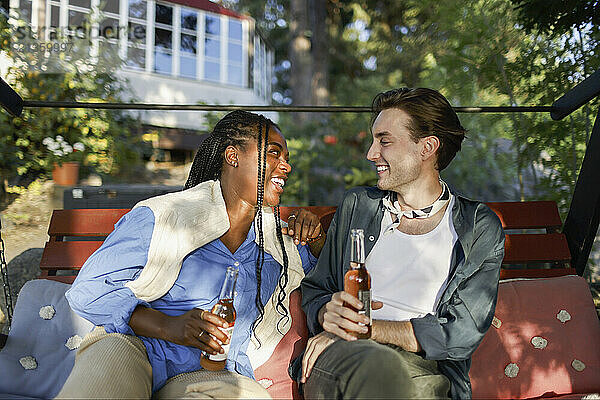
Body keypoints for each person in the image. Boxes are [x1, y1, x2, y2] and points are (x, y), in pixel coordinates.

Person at [57, 110, 326, 399]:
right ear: (232, 156)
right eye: (274, 153)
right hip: (134, 347)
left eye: (286, 158)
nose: (286, 166)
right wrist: (169, 326)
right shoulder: (164, 217)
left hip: (212, 372)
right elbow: (88, 289)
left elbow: (324, 276)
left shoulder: (280, 242)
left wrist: (317, 238)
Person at [292, 88, 505, 399]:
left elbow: (463, 332)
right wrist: (329, 316)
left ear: (427, 147)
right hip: (344, 357)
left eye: (384, 141)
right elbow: (316, 289)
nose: (371, 153)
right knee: (379, 375)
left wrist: (367, 328)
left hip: (425, 369)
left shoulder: (477, 227)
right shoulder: (358, 207)